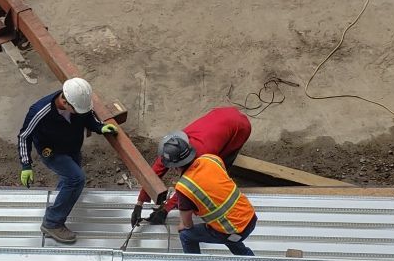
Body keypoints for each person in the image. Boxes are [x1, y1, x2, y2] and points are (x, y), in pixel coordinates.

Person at [18, 77, 117, 244]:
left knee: (70, 179)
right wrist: (26, 165)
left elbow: (88, 116)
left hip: (72, 147)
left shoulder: (78, 104)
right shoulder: (39, 111)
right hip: (52, 151)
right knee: (76, 178)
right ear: (64, 101)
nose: (80, 113)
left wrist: (99, 127)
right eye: (77, 110)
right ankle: (52, 223)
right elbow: (24, 136)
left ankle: (64, 195)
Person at [130, 105, 251, 227]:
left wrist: (166, 209)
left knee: (221, 163)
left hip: (240, 127)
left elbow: (189, 188)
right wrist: (139, 204)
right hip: (220, 114)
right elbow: (154, 173)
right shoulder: (176, 146)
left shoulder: (204, 159)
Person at [160, 132, 257, 256]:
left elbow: (187, 224)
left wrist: (182, 224)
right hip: (250, 218)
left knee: (186, 235)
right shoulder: (211, 159)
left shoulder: (184, 187)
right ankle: (247, 257)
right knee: (227, 231)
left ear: (173, 167)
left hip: (234, 230)